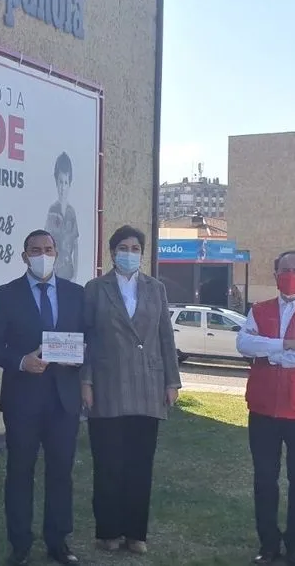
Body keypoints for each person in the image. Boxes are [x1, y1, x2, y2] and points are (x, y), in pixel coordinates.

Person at [80, 225, 182, 556]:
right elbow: (88, 339)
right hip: (107, 386)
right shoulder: (96, 288)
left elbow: (166, 336)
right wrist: (86, 380)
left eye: (135, 247)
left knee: (140, 464)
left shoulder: (156, 288)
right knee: (108, 463)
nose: (129, 252)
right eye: (123, 247)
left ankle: (136, 533)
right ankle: (108, 531)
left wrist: (172, 381)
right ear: (112, 253)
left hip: (148, 386)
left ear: (142, 252)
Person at [0, 230, 85, 565]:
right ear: (24, 255)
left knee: (61, 472)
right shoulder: (6, 294)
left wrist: (80, 354)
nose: (42, 254)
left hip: (63, 400)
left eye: (48, 249)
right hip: (22, 400)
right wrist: (20, 361)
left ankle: (58, 542)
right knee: (20, 471)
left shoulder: (75, 294)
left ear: (56, 253)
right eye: (35, 250)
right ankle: (20, 543)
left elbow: (92, 338)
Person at [235, 251, 295, 566]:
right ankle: (267, 544)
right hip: (263, 408)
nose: (290, 274)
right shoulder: (259, 310)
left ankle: (294, 546)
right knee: (264, 478)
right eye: (284, 269)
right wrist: (287, 344)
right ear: (275, 273)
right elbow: (243, 345)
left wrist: (269, 351)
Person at [44, 152, 79, 281]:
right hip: (54, 274)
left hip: (69, 274)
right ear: (56, 182)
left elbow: (75, 246)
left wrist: (75, 274)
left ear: (69, 183)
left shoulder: (71, 212)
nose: (62, 187)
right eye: (60, 182)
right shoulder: (52, 210)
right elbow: (45, 242)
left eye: (65, 182)